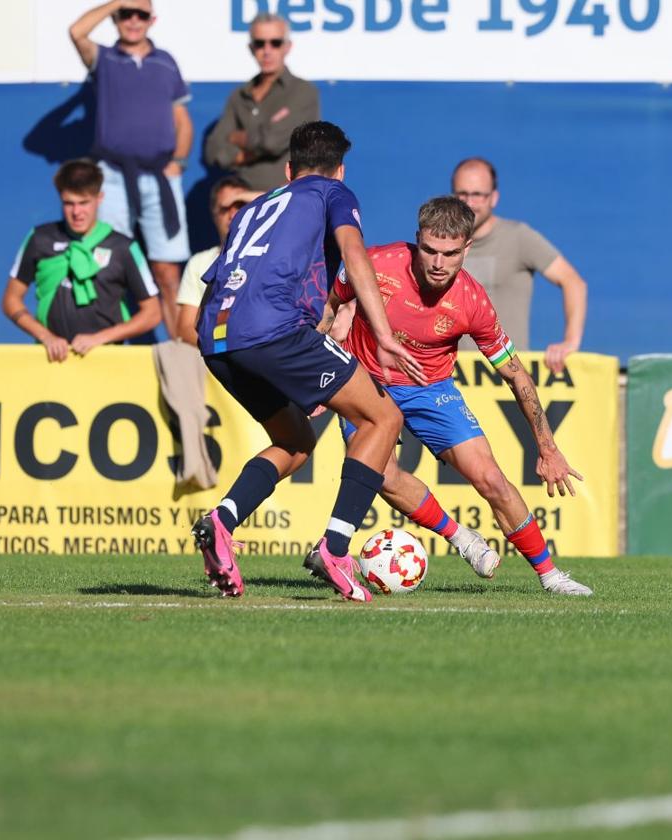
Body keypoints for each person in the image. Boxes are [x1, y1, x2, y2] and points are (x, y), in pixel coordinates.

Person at [192, 121, 425, 603]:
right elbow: (353, 252)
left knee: (295, 439)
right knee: (383, 416)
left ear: (288, 168)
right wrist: (382, 335)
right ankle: (336, 548)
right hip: (274, 331)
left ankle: (223, 520)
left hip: (216, 337)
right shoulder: (331, 193)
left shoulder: (253, 207)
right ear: (339, 170)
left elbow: (221, 278)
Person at [322, 196, 593, 596]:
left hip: (432, 390)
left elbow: (516, 376)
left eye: (450, 254)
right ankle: (460, 537)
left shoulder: (472, 301)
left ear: (466, 248)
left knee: (491, 479)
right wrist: (321, 360)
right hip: (367, 386)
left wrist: (547, 448)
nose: (438, 263)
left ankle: (551, 576)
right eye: (429, 250)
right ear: (417, 240)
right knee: (382, 476)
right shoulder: (376, 263)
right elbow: (327, 304)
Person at [70, 0, 192, 338]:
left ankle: (180, 349)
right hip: (112, 176)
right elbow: (76, 32)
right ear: (116, 18)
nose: (133, 20)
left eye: (141, 13)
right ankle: (104, 343)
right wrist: (117, 3)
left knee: (167, 270)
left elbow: (182, 121)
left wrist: (178, 162)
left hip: (160, 179)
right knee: (106, 263)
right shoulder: (105, 59)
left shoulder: (166, 62)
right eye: (127, 14)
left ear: (152, 19)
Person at [2, 159, 162, 361]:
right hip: (50, 359)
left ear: (99, 198)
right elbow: (10, 300)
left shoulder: (123, 247)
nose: (76, 212)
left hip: (108, 361)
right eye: (69, 203)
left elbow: (153, 312)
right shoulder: (39, 239)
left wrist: (99, 339)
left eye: (84, 202)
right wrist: (46, 336)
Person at [450, 158, 588, 374]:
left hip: (507, 378)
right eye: (462, 194)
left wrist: (570, 342)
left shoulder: (518, 237)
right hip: (452, 377)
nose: (469, 202)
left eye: (478, 194)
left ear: (494, 197)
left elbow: (573, 282)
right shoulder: (440, 245)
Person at [204, 13, 319, 192]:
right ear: (251, 48)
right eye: (259, 43)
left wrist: (238, 138)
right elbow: (214, 151)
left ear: (287, 47)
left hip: (288, 198)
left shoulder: (302, 92)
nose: (267, 50)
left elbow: (271, 142)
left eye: (275, 43)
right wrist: (252, 150)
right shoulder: (239, 96)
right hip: (243, 202)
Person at [174, 176, 260, 342]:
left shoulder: (271, 252)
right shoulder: (198, 262)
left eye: (241, 205)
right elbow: (185, 328)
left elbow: (290, 204)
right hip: (214, 357)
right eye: (225, 208)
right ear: (214, 215)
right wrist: (223, 348)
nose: (233, 214)